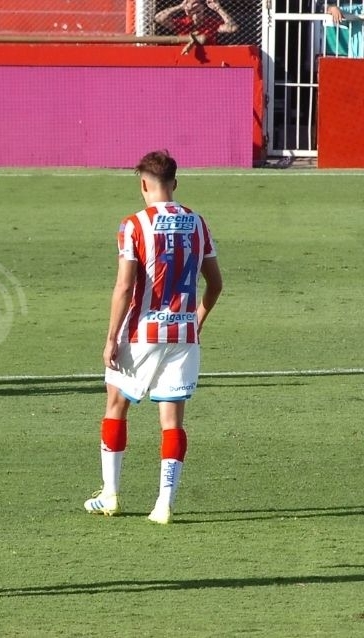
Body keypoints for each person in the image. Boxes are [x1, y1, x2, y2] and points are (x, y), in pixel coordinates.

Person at [83, 150, 223, 525]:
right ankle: (164, 504)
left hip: (141, 333)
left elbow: (125, 287)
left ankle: (110, 494)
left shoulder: (134, 225)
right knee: (172, 420)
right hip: (183, 334)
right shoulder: (197, 223)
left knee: (116, 404)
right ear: (174, 183)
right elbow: (216, 284)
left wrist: (110, 337)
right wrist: (197, 319)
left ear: (143, 184)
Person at [154, 0, 238, 44]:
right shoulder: (183, 23)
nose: (195, 15)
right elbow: (158, 18)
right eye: (192, 12)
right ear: (187, 12)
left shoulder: (210, 22)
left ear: (203, 10)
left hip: (210, 55)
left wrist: (218, 9)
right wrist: (180, 7)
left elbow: (232, 28)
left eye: (198, 11)